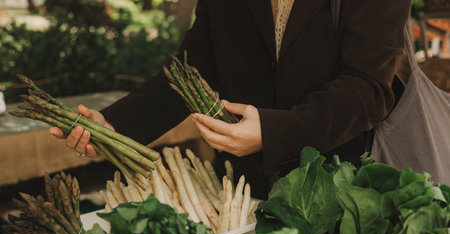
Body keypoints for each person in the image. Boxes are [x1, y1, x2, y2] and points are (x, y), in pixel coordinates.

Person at [50, 0, 412, 199]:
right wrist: (114, 125)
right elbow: (191, 73)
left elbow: (367, 89)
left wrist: (273, 132)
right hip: (243, 192)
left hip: (334, 191)